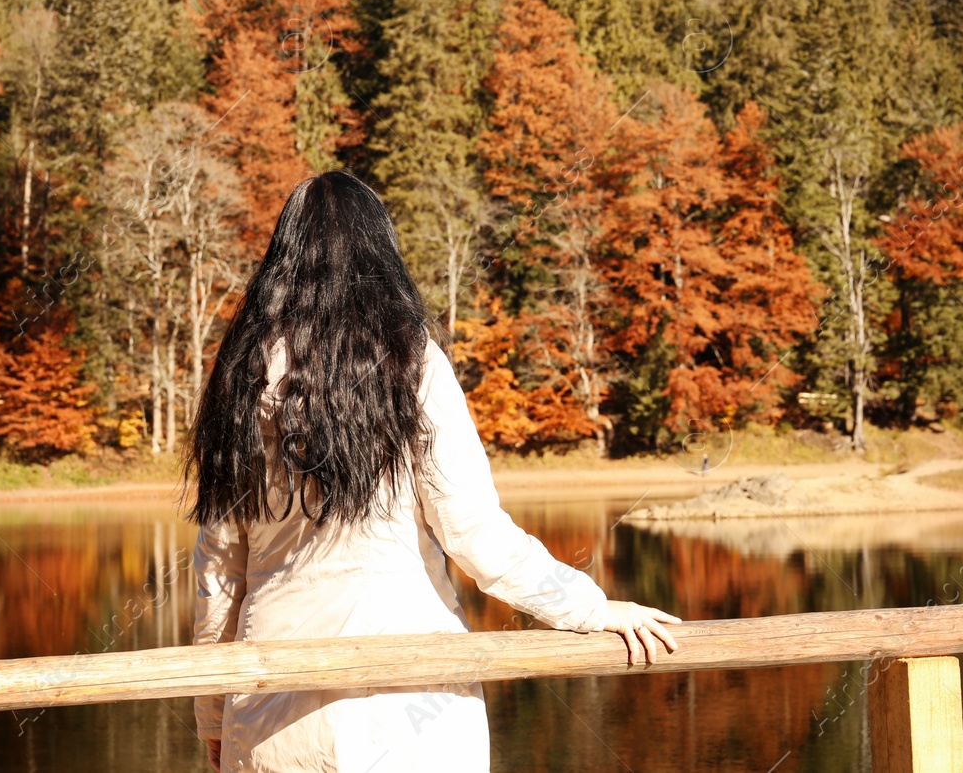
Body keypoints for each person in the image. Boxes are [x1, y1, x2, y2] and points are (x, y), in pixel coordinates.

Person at [185, 171, 680, 773]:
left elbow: (220, 573)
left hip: (274, 708)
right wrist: (591, 608)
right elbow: (472, 532)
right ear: (381, 250)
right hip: (413, 700)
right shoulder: (410, 359)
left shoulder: (240, 375)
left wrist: (214, 717)